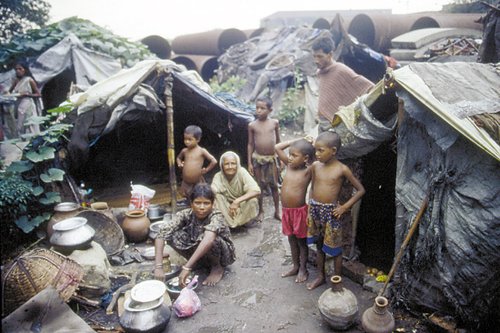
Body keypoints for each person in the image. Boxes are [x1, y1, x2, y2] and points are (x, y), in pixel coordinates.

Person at [306, 131, 365, 290]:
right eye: (316, 150)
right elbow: (312, 187)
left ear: (333, 151)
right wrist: (310, 206)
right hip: (315, 211)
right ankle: (320, 276)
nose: (317, 154)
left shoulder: (342, 169)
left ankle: (336, 281)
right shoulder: (315, 166)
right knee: (319, 245)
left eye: (321, 150)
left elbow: (360, 190)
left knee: (335, 249)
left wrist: (344, 207)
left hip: (332, 213)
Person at [154, 183, 236, 287]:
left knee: (212, 239)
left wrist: (186, 267)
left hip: (222, 254)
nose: (202, 207)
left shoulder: (217, 216)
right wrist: (158, 266)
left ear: (213, 204)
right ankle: (197, 262)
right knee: (172, 235)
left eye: (206, 203)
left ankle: (217, 267)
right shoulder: (185, 214)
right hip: (197, 246)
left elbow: (209, 239)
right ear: (191, 204)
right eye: (197, 203)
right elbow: (161, 234)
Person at [312, 36, 373, 133]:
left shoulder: (341, 69)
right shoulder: (320, 72)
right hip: (322, 123)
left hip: (335, 125)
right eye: (314, 56)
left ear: (330, 54)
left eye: (320, 56)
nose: (316, 60)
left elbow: (366, 86)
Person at [275, 137, 315, 283]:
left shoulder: (308, 170)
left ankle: (304, 269)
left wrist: (312, 144)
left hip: (299, 212)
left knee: (301, 242)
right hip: (286, 212)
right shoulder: (289, 166)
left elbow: (318, 161)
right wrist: (299, 139)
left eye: (294, 155)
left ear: (305, 158)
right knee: (291, 240)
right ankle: (295, 266)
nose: (290, 158)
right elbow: (278, 147)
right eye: (290, 154)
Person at [247, 96, 281, 221]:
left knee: (274, 185)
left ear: (270, 110)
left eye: (262, 108)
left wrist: (281, 159)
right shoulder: (252, 125)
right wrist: (250, 162)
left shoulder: (274, 123)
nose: (259, 111)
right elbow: (250, 144)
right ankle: (261, 211)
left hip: (272, 158)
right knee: (259, 185)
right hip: (258, 159)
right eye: (257, 108)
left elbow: (278, 141)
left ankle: (277, 211)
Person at [211, 151, 261, 228]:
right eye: (227, 164)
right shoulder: (218, 176)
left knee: (253, 200)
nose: (230, 166)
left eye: (233, 163)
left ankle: (241, 222)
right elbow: (212, 189)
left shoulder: (242, 172)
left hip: (241, 206)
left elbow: (256, 190)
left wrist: (237, 201)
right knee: (217, 197)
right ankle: (230, 223)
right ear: (222, 166)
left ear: (237, 164)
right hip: (227, 208)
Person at [176, 125, 217, 201]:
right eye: (185, 139)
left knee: (199, 195)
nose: (186, 142)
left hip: (197, 181)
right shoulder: (184, 151)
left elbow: (214, 161)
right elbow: (178, 158)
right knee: (186, 195)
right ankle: (189, 205)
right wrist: (179, 164)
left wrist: (206, 170)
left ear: (198, 140)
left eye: (190, 139)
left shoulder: (201, 151)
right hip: (186, 181)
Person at [9, 62, 41, 137]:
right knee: (20, 125)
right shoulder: (16, 81)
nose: (18, 71)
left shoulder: (29, 80)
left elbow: (38, 94)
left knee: (30, 123)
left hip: (28, 104)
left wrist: (27, 94)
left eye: (20, 69)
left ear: (24, 70)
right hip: (19, 105)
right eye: (16, 69)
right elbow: (9, 92)